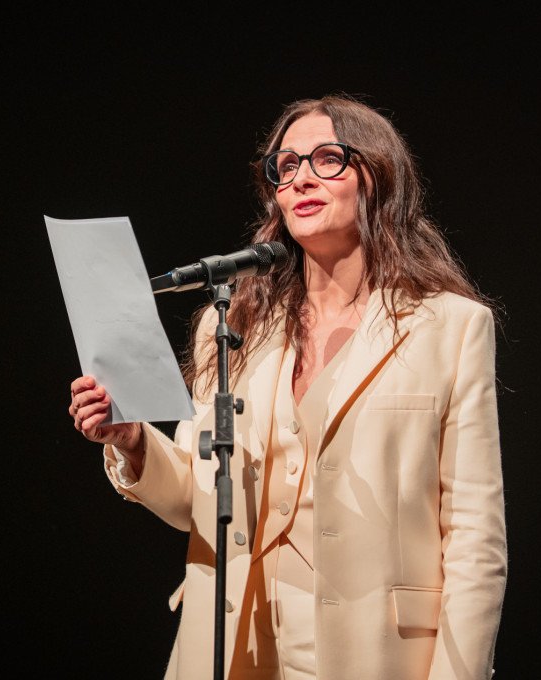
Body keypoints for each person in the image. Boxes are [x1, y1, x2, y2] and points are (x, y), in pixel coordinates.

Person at [68, 94, 507, 680]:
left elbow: (475, 537)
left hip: (374, 653)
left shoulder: (449, 327)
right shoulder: (232, 327)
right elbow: (194, 503)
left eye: (328, 159)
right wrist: (133, 441)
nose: (301, 178)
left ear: (376, 178)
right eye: (286, 165)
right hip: (235, 647)